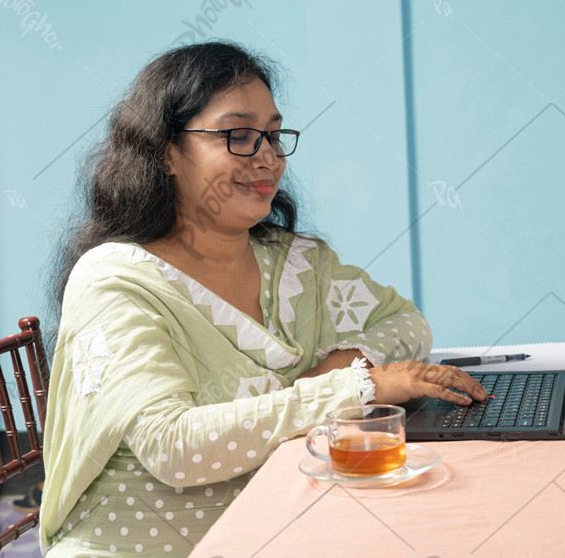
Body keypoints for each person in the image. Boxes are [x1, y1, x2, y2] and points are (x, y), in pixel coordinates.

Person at [40, 42, 487, 556]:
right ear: (164, 152)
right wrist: (358, 389)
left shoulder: (293, 262)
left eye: (273, 136)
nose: (269, 157)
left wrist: (342, 369)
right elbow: (174, 447)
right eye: (239, 136)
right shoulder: (116, 280)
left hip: (280, 524)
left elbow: (406, 323)